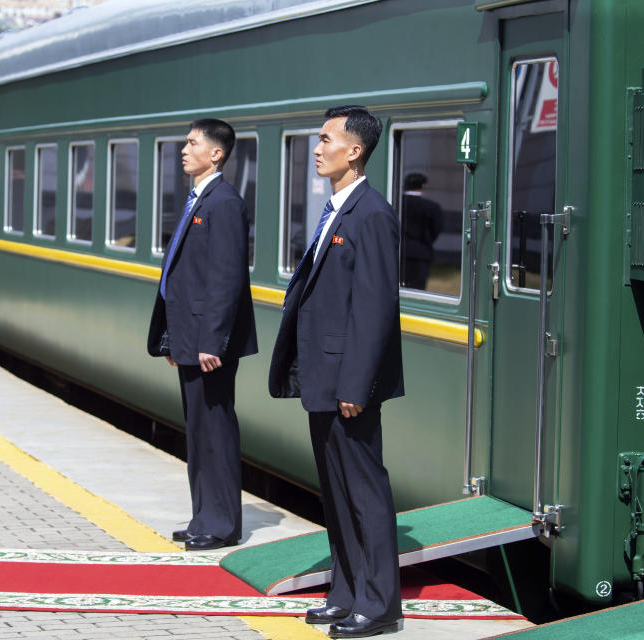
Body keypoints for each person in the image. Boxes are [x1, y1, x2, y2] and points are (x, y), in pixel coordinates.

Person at [268, 105, 404, 638]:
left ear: (356, 151)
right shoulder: (335, 212)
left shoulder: (371, 214)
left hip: (349, 384)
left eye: (327, 139)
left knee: (365, 493)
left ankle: (380, 604)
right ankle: (346, 592)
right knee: (336, 492)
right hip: (323, 379)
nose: (317, 148)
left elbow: (374, 309)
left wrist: (355, 385)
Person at [147, 118, 257, 551]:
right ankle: (202, 517)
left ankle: (222, 523)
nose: (183, 149)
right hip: (190, 335)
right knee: (197, 430)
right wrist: (175, 337)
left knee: (216, 429)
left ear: (216, 154)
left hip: (210, 341)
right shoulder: (198, 198)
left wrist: (213, 340)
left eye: (193, 143)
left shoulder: (224, 203)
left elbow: (226, 279)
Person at [400, 172, 443, 290]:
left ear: (404, 185)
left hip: (398, 250)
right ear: (424, 186)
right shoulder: (431, 207)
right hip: (421, 251)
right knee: (417, 290)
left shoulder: (396, 204)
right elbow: (437, 228)